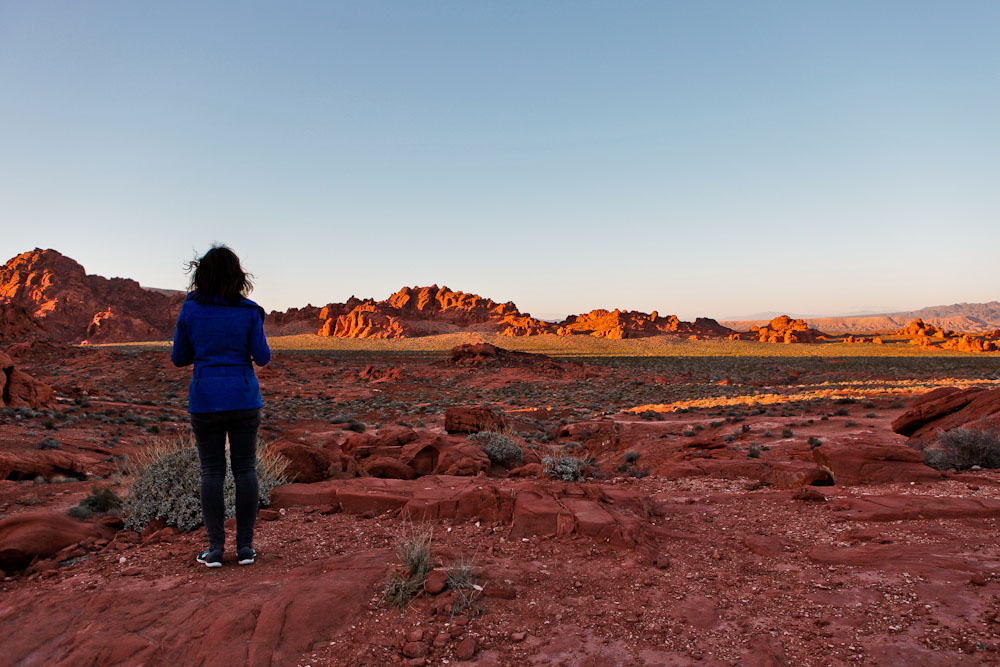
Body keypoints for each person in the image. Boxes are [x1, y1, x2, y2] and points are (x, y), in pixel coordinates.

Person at [171, 244, 271, 568]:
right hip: (243, 397)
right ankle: (245, 549)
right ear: (238, 276)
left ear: (201, 275)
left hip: (206, 400)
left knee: (211, 472)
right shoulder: (249, 312)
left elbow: (179, 358)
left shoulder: (190, 310)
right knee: (245, 470)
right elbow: (264, 357)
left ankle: (215, 549)